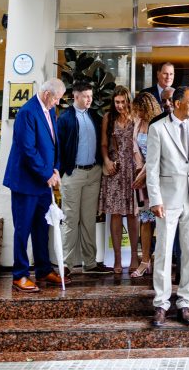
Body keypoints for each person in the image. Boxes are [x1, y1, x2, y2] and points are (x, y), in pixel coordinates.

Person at [146, 86, 189, 328]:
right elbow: (151, 167)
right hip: (167, 199)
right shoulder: (157, 128)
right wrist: (155, 199)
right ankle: (161, 303)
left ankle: (184, 302)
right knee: (163, 251)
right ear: (178, 103)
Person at [3, 78, 67, 292]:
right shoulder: (27, 112)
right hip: (25, 182)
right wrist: (47, 173)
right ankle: (20, 275)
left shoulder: (50, 110)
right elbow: (27, 149)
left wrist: (56, 168)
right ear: (47, 94)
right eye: (57, 98)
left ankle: (43, 269)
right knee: (23, 229)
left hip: (43, 182)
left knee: (42, 228)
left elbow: (54, 144)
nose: (58, 103)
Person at [57, 80, 106, 275]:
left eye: (90, 96)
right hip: (73, 173)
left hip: (93, 173)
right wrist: (59, 171)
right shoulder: (65, 118)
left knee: (88, 219)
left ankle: (90, 263)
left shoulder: (94, 116)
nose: (89, 100)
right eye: (85, 96)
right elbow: (58, 147)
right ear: (75, 96)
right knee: (70, 219)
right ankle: (66, 265)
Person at [98, 85, 139, 275]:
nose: (120, 105)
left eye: (123, 102)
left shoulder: (136, 117)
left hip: (132, 169)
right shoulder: (108, 117)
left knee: (132, 214)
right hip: (115, 169)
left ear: (128, 101)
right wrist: (107, 161)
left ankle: (134, 256)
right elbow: (103, 144)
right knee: (115, 214)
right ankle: (116, 257)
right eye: (117, 102)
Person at [130, 91, 162, 279]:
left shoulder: (157, 125)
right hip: (142, 178)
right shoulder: (138, 123)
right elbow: (136, 150)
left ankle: (160, 260)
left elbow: (156, 156)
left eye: (140, 110)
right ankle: (145, 260)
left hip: (156, 178)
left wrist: (143, 175)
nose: (138, 113)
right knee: (145, 220)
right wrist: (139, 171)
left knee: (159, 220)